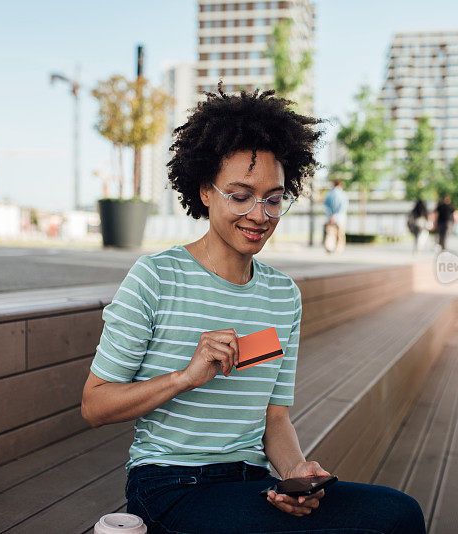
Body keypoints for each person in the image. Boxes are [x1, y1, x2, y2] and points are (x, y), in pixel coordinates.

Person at [80, 82, 426, 534]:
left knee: (400, 515)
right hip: (170, 485)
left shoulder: (283, 295)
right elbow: (95, 405)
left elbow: (274, 416)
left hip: (254, 484)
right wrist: (185, 377)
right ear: (206, 191)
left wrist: (296, 474)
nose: (259, 215)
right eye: (240, 195)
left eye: (273, 198)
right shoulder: (157, 278)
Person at [322, 178, 348, 253]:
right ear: (340, 185)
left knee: (330, 233)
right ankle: (339, 249)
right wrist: (336, 216)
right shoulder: (343, 194)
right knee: (340, 235)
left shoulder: (329, 194)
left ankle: (329, 247)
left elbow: (325, 206)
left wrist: (331, 215)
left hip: (329, 218)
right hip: (341, 218)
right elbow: (344, 207)